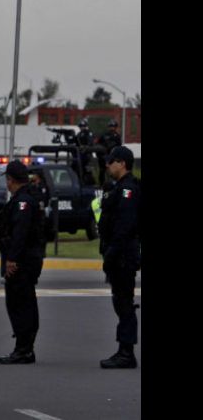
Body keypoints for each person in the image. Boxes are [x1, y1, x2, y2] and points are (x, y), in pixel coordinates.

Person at [0, 160, 46, 364]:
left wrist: (12, 259)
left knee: (19, 303)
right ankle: (24, 348)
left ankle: (23, 349)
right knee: (23, 302)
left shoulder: (23, 202)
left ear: (10, 180)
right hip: (27, 260)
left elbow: (20, 233)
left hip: (22, 262)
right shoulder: (28, 197)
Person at [98, 146, 141, 368]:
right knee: (121, 302)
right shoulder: (117, 188)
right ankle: (124, 349)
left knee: (124, 303)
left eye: (111, 161)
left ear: (122, 163)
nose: (108, 165)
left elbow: (125, 226)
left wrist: (112, 252)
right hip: (118, 254)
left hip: (123, 255)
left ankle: (126, 353)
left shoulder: (128, 190)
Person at [96, 119, 122, 185]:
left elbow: (119, 147)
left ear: (116, 127)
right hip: (103, 156)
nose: (112, 128)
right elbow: (98, 145)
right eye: (110, 126)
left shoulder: (117, 136)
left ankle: (114, 184)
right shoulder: (104, 135)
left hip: (113, 157)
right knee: (102, 171)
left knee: (113, 172)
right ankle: (101, 185)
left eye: (113, 126)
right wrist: (99, 155)